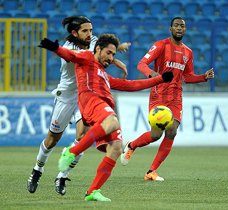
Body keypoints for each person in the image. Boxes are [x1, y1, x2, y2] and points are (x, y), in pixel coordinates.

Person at [38, 34, 173, 201]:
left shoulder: (105, 75)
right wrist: (55, 48)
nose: (111, 58)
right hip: (92, 102)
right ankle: (71, 152)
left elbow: (130, 85)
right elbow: (70, 55)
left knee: (115, 148)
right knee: (113, 122)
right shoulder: (87, 58)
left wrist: (160, 79)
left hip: (102, 108)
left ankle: (93, 191)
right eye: (108, 53)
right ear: (98, 49)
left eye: (113, 55)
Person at [27, 16, 131, 196]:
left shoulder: (94, 42)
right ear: (75, 33)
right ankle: (37, 169)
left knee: (82, 137)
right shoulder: (68, 49)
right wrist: (115, 61)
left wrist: (117, 50)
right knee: (52, 140)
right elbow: (82, 57)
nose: (90, 34)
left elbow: (103, 49)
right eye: (85, 31)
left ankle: (62, 175)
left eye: (91, 30)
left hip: (87, 98)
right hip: (67, 97)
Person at [120, 17, 215, 181]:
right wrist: (151, 74)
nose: (179, 28)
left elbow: (188, 77)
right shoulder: (161, 45)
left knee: (172, 131)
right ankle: (131, 145)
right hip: (158, 95)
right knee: (156, 135)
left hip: (176, 98)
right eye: (176, 25)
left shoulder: (188, 52)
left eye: (182, 26)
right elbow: (142, 64)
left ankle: (151, 171)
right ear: (170, 29)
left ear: (185, 30)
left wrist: (203, 77)